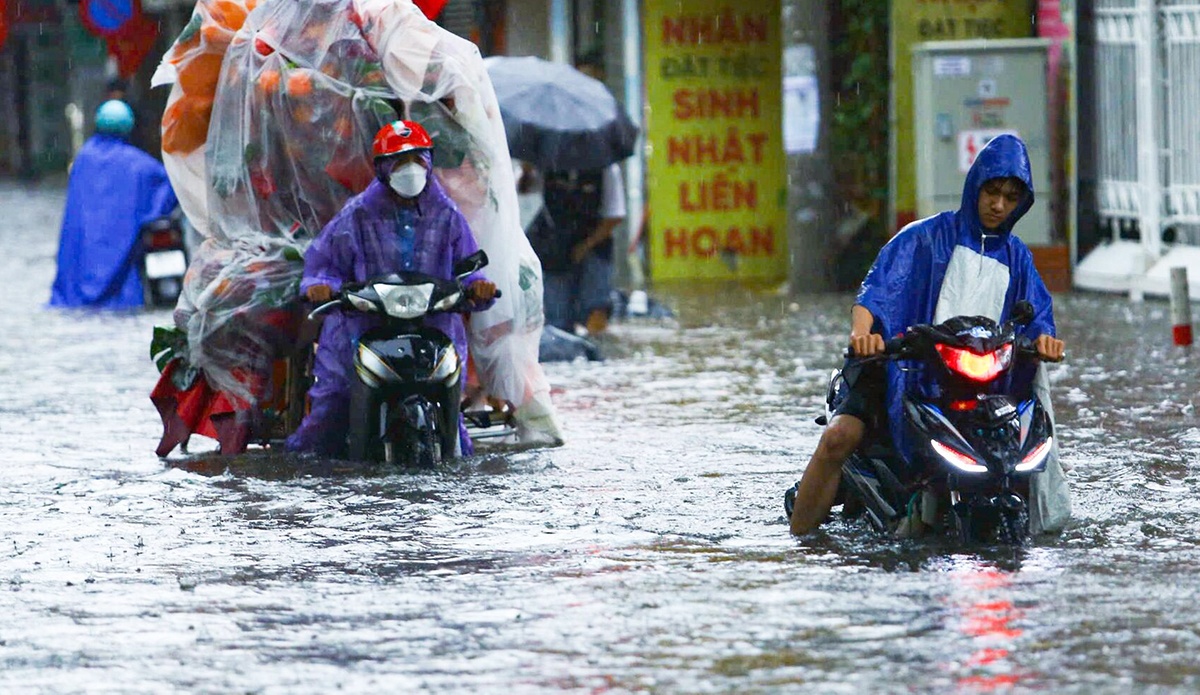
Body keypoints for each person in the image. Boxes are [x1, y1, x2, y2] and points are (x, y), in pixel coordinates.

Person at [788, 133, 1067, 536]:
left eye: (1010, 197)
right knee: (839, 436)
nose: (998, 205)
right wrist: (863, 333)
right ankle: (800, 542)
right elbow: (877, 290)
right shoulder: (923, 237)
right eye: (992, 191)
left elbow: (1038, 314)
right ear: (976, 185)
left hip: (978, 384)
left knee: (1027, 448)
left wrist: (1046, 341)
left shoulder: (1018, 256)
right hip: (899, 365)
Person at [285, 120, 497, 458]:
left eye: (417, 159)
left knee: (453, 418)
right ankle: (312, 469)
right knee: (333, 403)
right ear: (382, 167)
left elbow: (468, 267)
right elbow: (323, 264)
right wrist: (321, 287)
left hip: (431, 326)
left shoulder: (447, 215)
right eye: (399, 162)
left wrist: (478, 287)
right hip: (363, 326)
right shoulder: (356, 216)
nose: (410, 169)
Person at [50, 100, 178, 310]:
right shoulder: (139, 163)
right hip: (122, 259)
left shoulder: (84, 157)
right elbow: (171, 186)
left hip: (82, 265)